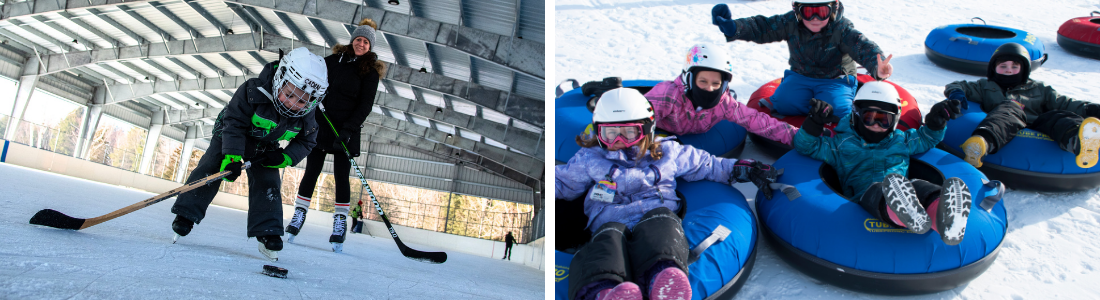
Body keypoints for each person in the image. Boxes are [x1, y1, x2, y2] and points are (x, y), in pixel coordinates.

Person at [557, 88, 778, 300]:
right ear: (598, 131)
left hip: (655, 212)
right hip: (610, 219)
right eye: (611, 133)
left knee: (661, 230)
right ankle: (606, 291)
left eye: (629, 132)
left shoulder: (667, 152)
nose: (619, 142)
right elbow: (565, 181)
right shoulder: (590, 159)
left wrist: (741, 168)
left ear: (646, 129)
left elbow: (706, 164)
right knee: (606, 243)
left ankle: (664, 280)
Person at [169, 47, 328, 261]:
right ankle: (186, 214)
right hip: (231, 133)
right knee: (212, 165)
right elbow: (233, 123)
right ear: (280, 79)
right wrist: (232, 156)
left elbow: (308, 140)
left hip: (266, 143)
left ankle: (268, 231)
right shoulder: (253, 90)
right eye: (289, 94)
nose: (292, 103)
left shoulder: (306, 116)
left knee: (269, 182)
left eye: (301, 101)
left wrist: (284, 157)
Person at [794, 81, 972, 245]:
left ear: (894, 121)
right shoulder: (840, 145)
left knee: (919, 186)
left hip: (906, 191)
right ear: (856, 115)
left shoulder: (900, 140)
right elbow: (806, 146)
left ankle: (943, 218)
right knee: (879, 191)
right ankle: (903, 213)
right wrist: (813, 122)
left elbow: (926, 138)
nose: (877, 124)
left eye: (884, 119)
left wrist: (936, 122)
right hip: (865, 198)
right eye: (869, 117)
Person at [285, 18, 385, 252]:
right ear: (352, 40)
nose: (361, 44)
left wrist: (349, 128)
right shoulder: (332, 61)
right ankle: (298, 216)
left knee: (341, 176)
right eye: (358, 39)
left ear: (370, 46)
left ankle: (340, 223)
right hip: (321, 125)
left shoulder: (369, 73)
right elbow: (315, 78)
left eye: (365, 42)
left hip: (345, 131)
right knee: (312, 171)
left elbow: (365, 105)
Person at [711, 0, 893, 119]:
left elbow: (861, 46)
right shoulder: (791, 23)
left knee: (838, 111)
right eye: (808, 12)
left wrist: (877, 66)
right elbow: (763, 27)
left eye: (821, 12)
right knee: (782, 104)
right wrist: (733, 27)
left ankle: (842, 97)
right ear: (798, 11)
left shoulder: (841, 28)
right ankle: (807, 101)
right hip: (801, 76)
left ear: (833, 9)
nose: (815, 19)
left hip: (835, 79)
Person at [946, 42, 1100, 169]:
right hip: (1004, 123)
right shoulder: (985, 86)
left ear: (1024, 69)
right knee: (1011, 106)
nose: (1008, 70)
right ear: (994, 67)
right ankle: (982, 144)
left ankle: (1079, 141)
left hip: (1039, 125)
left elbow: (1064, 103)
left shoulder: (1039, 88)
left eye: (1015, 66)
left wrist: (1089, 109)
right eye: (1003, 66)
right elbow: (958, 85)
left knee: (1057, 116)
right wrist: (957, 94)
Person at [643, 44, 799, 145]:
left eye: (716, 84)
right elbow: (635, 119)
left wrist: (798, 136)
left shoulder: (724, 103)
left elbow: (757, 120)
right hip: (664, 128)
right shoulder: (668, 96)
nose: (709, 89)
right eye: (702, 81)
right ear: (689, 79)